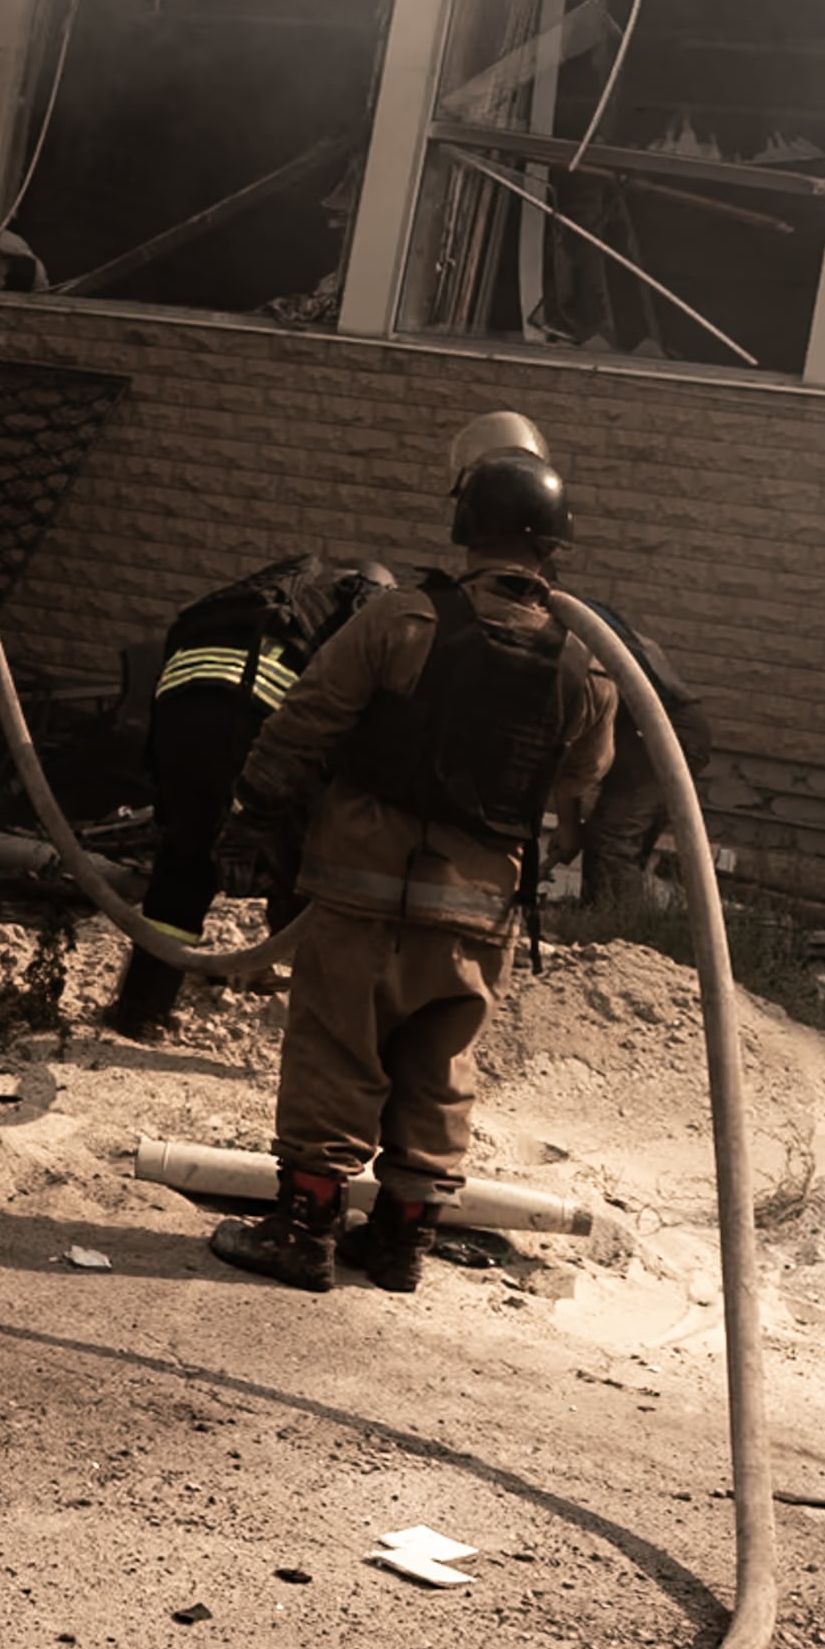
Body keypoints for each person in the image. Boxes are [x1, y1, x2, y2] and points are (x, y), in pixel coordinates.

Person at [210, 421, 616, 1292]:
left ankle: (305, 1229)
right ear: (556, 546)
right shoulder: (584, 664)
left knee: (336, 1050)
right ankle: (399, 1241)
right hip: (480, 908)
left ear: (467, 527)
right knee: (439, 1068)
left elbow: (307, 715)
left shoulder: (404, 619)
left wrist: (254, 809)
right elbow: (585, 772)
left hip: (365, 889)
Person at [96, 549, 391, 1040]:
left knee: (184, 864)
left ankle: (141, 1012)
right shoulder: (367, 609)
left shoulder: (274, 591)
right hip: (259, 719)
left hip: (180, 711)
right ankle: (332, 1033)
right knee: (306, 871)